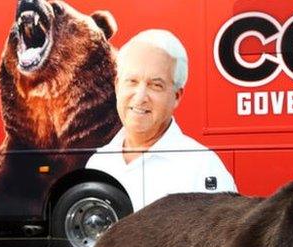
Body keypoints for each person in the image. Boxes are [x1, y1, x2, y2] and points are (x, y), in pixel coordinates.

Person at [86, 29, 236, 212]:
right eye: (132, 81)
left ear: (177, 96)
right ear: (117, 86)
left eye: (155, 85)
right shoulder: (98, 163)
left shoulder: (203, 167)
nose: (140, 97)